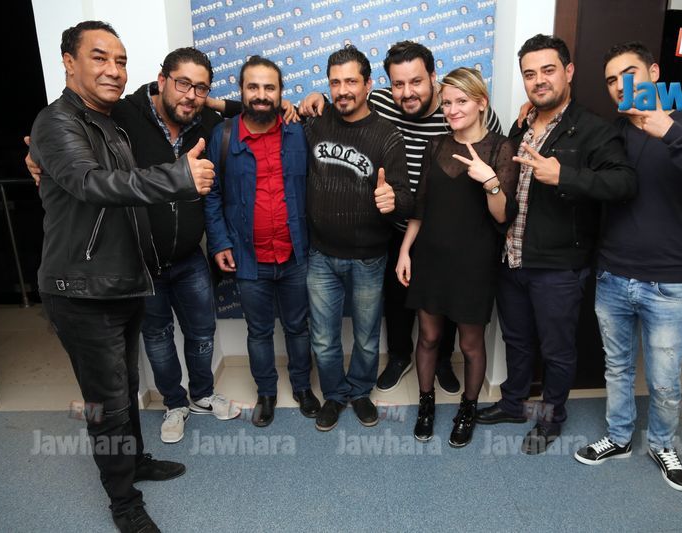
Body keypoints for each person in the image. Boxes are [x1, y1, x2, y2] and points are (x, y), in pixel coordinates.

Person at [28, 21, 215, 533]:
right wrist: (179, 176)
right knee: (105, 404)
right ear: (69, 62)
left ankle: (134, 463)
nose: (113, 70)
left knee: (126, 386)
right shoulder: (56, 122)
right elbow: (92, 182)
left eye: (121, 60)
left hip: (122, 280)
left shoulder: (109, 121)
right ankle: (124, 503)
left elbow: (171, 96)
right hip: (80, 289)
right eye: (100, 58)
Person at [26, 47, 245, 444]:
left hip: (190, 259)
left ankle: (202, 395)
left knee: (202, 333)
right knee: (157, 338)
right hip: (141, 261)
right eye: (182, 84)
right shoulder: (124, 115)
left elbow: (255, 108)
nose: (190, 96)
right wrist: (36, 153)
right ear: (161, 81)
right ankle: (174, 404)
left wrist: (209, 100)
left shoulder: (206, 120)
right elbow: (74, 138)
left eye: (201, 88)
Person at [574, 41, 682, 491]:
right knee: (617, 368)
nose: (619, 86)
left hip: (669, 282)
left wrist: (670, 130)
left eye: (628, 74)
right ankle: (619, 437)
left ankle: (663, 444)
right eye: (611, 80)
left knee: (665, 380)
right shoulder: (611, 135)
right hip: (613, 275)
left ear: (653, 73)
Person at [299, 41, 503, 395]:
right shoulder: (378, 102)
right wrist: (315, 97)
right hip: (395, 226)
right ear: (384, 85)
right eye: (398, 84)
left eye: (416, 82)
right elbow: (344, 99)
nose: (407, 93)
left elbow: (498, 153)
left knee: (446, 300)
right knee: (396, 299)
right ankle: (399, 356)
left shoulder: (459, 109)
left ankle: (442, 360)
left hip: (448, 229)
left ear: (433, 77)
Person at [475, 34, 636, 455]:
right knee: (516, 340)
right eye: (530, 73)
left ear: (569, 72)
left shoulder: (594, 129)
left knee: (557, 351)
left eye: (548, 70)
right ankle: (513, 404)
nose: (538, 80)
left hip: (559, 266)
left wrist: (564, 175)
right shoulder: (522, 125)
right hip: (513, 256)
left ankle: (550, 418)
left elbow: (624, 183)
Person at [395, 67, 519, 447]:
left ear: (481, 103)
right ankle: (426, 404)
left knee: (470, 344)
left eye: (461, 101)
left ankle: (467, 408)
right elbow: (421, 206)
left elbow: (503, 215)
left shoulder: (501, 148)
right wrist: (405, 251)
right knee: (429, 336)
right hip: (431, 257)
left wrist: (490, 180)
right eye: (446, 103)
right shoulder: (435, 146)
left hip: (474, 263)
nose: (452, 110)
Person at [204, 55, 319, 428]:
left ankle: (302, 387)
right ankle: (266, 393)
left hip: (295, 255)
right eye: (253, 86)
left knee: (298, 327)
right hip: (248, 258)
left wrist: (316, 98)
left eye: (270, 87)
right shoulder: (223, 136)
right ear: (241, 90)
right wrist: (220, 242)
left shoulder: (298, 131)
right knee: (259, 331)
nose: (261, 94)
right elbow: (211, 195)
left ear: (281, 93)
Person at [304, 45, 412, 432]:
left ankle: (361, 391)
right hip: (321, 254)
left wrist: (393, 200)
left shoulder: (387, 135)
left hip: (369, 256)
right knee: (323, 337)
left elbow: (406, 196)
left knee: (366, 337)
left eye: (351, 81)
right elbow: (266, 113)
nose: (342, 90)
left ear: (368, 85)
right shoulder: (315, 121)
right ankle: (335, 395)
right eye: (335, 82)